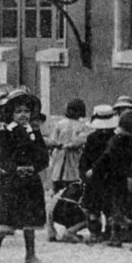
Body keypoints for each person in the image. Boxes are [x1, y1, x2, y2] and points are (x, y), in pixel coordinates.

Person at [0, 88, 49, 263]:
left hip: (30, 182)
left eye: (26, 111)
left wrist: (34, 168)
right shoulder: (4, 132)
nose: (23, 115)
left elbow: (43, 157)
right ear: (11, 113)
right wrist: (15, 168)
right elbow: (1, 157)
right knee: (2, 217)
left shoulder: (34, 133)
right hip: (9, 181)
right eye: (18, 111)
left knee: (30, 218)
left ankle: (31, 254)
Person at [83, 108, 132, 247]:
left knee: (113, 209)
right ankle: (117, 234)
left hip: (112, 178)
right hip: (123, 178)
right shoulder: (131, 141)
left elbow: (106, 157)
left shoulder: (115, 139)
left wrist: (94, 170)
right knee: (117, 208)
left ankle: (127, 230)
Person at [45, 97, 92, 242]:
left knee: (57, 195)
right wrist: (66, 145)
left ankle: (52, 228)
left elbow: (54, 140)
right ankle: (67, 226)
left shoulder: (62, 124)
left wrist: (60, 145)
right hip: (68, 163)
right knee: (69, 194)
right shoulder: (81, 126)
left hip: (62, 161)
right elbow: (81, 140)